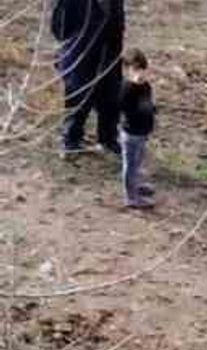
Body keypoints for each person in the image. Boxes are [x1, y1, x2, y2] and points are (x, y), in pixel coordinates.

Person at [51, 0, 125, 157]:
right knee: (78, 93)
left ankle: (108, 139)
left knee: (111, 95)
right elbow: (60, 28)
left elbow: (118, 19)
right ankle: (70, 139)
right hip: (80, 49)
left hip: (109, 49)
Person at [118, 49, 156, 209]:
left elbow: (148, 103)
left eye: (142, 69)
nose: (139, 73)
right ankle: (131, 197)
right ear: (128, 70)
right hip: (131, 133)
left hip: (143, 132)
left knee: (139, 161)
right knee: (130, 165)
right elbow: (124, 109)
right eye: (135, 69)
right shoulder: (127, 88)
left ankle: (137, 185)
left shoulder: (146, 86)